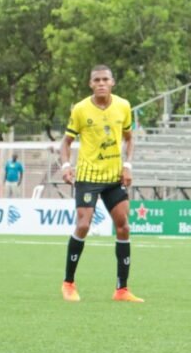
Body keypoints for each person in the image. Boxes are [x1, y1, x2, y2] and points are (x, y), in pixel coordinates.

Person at [59, 64, 142, 303]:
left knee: (123, 226)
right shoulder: (80, 109)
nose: (101, 83)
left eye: (105, 79)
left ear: (112, 82)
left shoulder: (123, 106)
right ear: (90, 84)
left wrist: (128, 165)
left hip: (114, 177)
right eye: (97, 80)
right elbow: (65, 143)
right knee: (83, 225)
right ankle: (68, 284)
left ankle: (121, 289)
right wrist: (66, 166)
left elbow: (129, 139)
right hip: (88, 177)